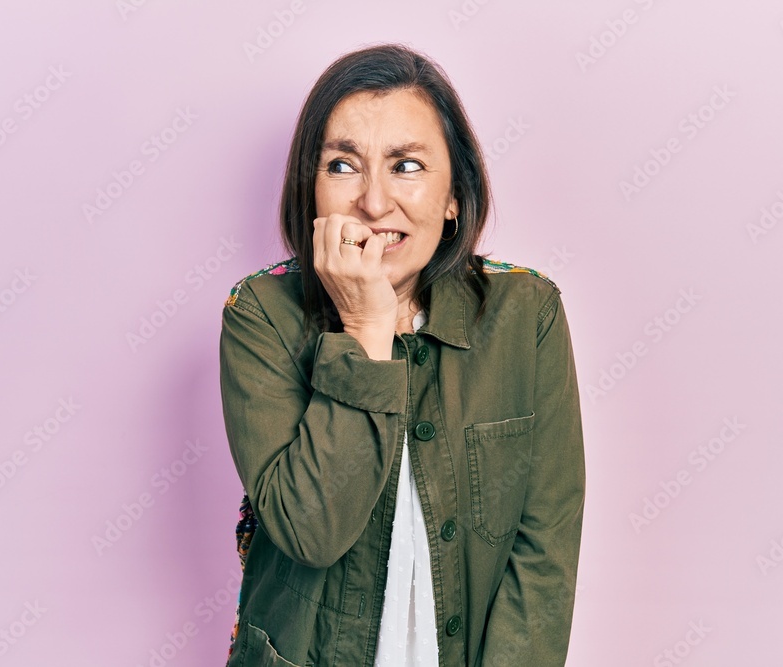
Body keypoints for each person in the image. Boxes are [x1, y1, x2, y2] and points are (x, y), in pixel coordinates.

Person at [219, 42, 585, 667]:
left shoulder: (528, 315)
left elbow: (543, 552)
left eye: (407, 165)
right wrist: (366, 326)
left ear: (454, 195)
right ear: (311, 191)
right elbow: (312, 530)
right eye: (342, 166)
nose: (373, 202)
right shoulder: (259, 314)